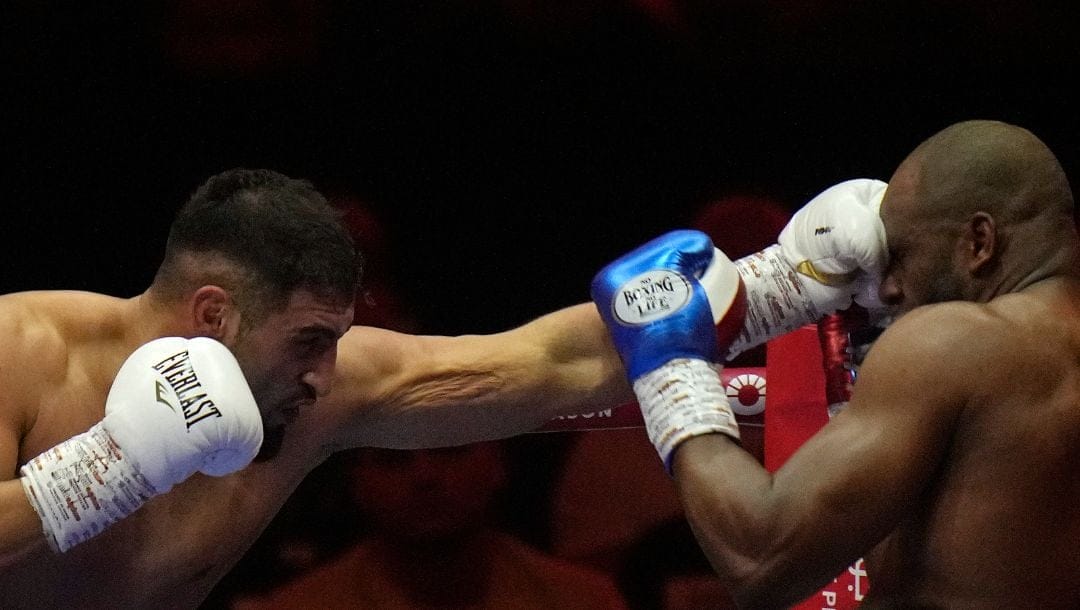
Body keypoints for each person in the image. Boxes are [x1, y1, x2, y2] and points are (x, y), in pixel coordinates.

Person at [0, 168, 635, 609]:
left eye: (335, 341)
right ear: (214, 316)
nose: (324, 376)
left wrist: (732, 297)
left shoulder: (306, 390)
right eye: (307, 341)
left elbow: (545, 365)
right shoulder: (20, 348)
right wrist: (109, 467)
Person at [591, 119, 1080, 607]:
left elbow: (759, 556)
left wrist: (671, 369)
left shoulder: (956, 342)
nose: (885, 289)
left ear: (979, 242)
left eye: (901, 256)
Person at [232, 442, 628, 609]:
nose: (425, 476)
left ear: (498, 463)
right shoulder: (302, 608)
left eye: (450, 451)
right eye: (393, 460)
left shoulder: (583, 601)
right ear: (356, 482)